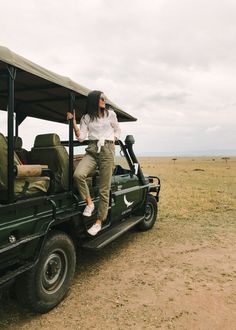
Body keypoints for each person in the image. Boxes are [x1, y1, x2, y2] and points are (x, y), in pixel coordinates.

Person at [67, 90, 121, 236]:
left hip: (107, 150)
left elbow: (117, 130)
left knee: (104, 188)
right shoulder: (86, 118)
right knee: (78, 174)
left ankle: (98, 221)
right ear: (94, 101)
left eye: (104, 98)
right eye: (101, 98)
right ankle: (89, 203)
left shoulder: (111, 114)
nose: (104, 100)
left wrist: (113, 140)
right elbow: (81, 137)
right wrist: (73, 124)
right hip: (92, 149)